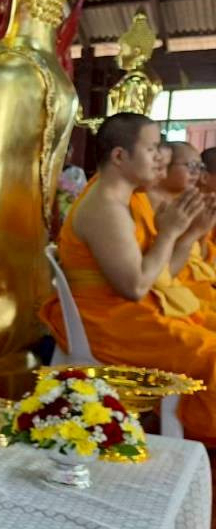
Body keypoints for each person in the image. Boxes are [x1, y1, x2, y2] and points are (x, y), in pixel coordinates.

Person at [41, 114, 216, 443]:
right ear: (120, 156)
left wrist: (186, 233)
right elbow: (134, 287)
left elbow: (158, 276)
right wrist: (171, 234)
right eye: (151, 150)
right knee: (211, 354)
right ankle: (201, 449)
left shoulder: (131, 198)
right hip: (108, 322)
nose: (158, 157)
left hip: (133, 314)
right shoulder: (105, 207)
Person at [144, 141, 216, 304]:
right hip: (167, 292)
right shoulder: (146, 203)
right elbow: (162, 274)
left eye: (200, 167)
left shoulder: (184, 204)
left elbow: (200, 257)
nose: (196, 173)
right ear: (162, 166)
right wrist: (196, 232)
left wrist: (202, 232)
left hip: (187, 288)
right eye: (191, 166)